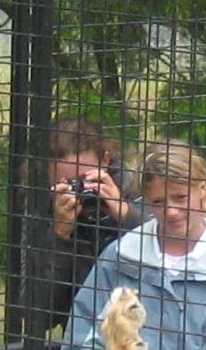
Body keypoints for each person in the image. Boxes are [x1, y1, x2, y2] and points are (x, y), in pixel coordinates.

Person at [59, 141, 206, 350]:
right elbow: (82, 344)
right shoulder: (119, 257)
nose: (171, 211)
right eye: (158, 202)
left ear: (203, 189)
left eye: (180, 198)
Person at [24, 118, 146, 331]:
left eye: (84, 180)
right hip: (85, 337)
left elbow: (175, 261)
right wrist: (60, 236)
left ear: (105, 161)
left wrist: (126, 215)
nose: (78, 190)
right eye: (67, 184)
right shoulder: (40, 207)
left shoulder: (136, 189)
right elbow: (38, 316)